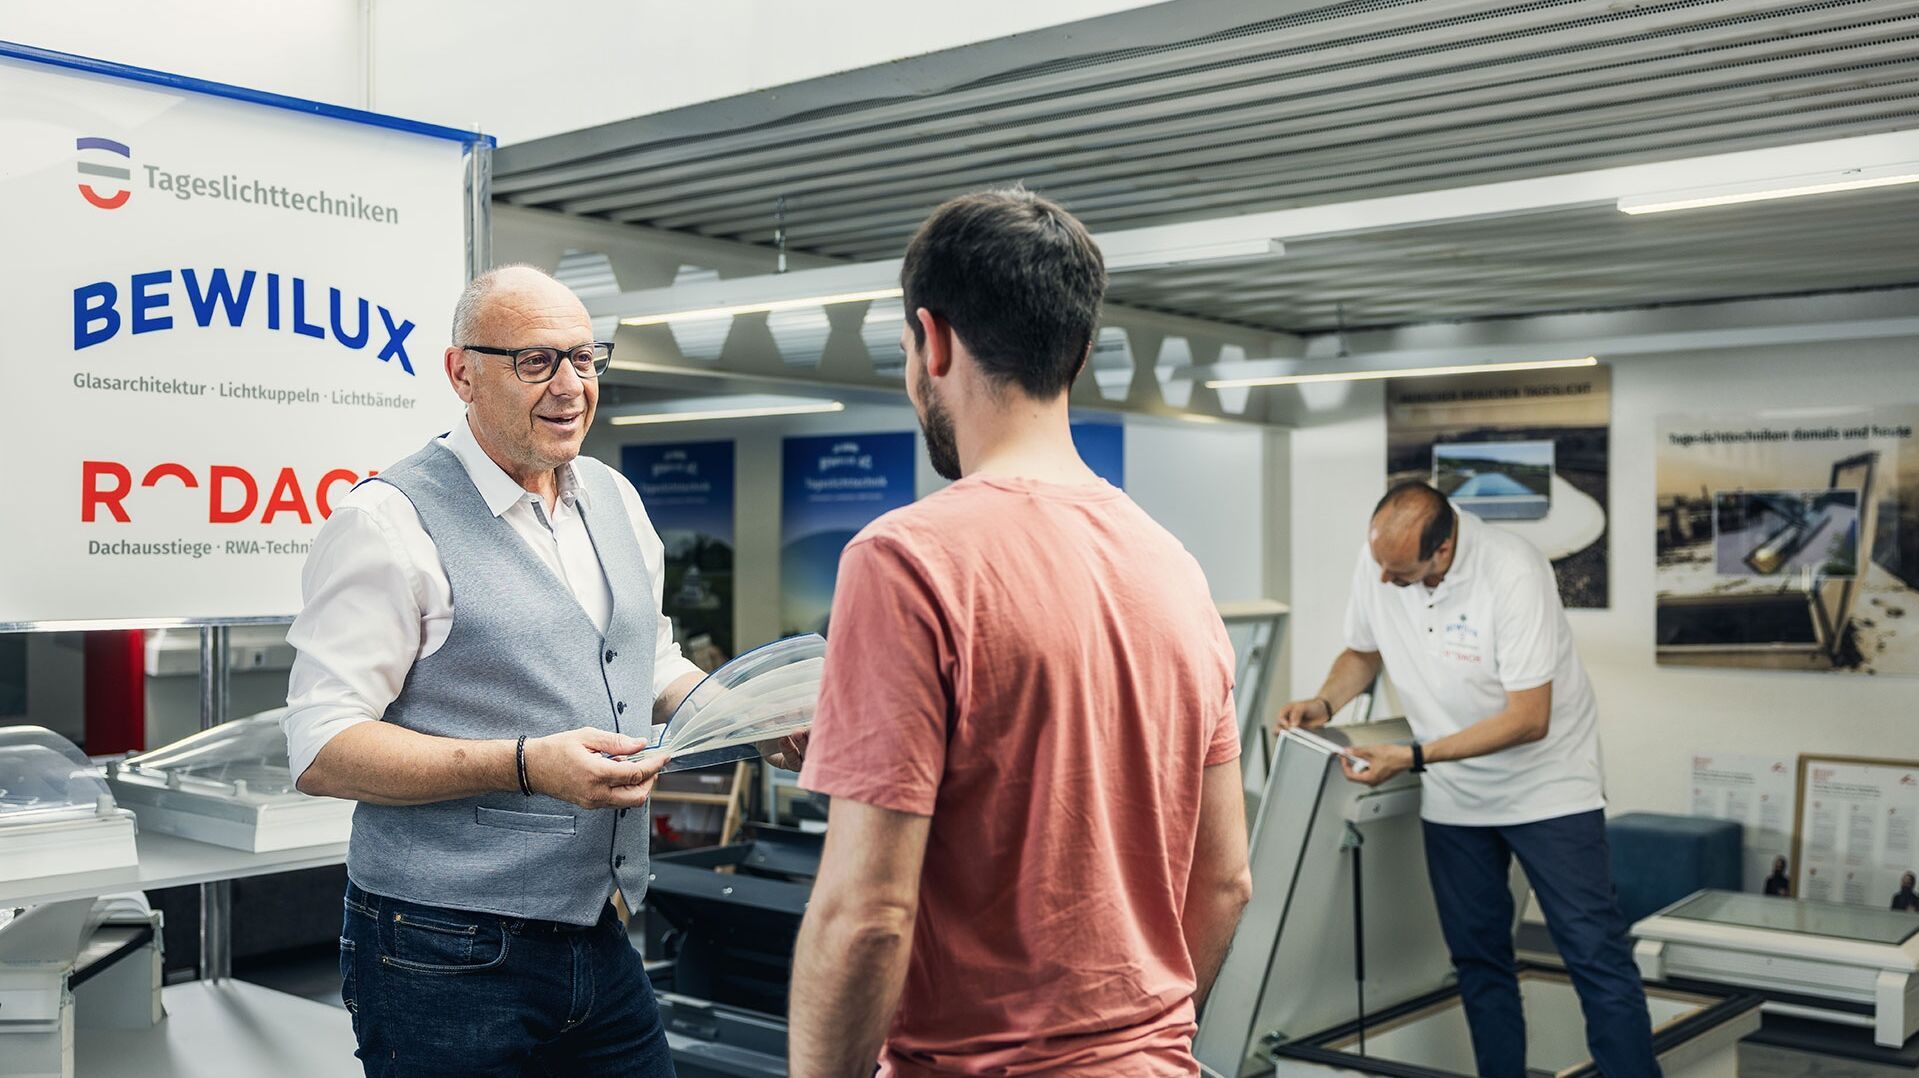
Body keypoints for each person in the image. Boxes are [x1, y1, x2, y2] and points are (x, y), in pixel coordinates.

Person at [285, 265, 799, 1077]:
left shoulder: (614, 499)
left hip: (598, 928)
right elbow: (320, 748)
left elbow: (649, 661)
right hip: (437, 943)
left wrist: (747, 721)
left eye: (584, 358)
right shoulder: (385, 522)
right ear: (462, 373)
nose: (570, 386)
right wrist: (525, 765)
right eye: (535, 361)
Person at [787, 188, 1253, 1077]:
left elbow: (866, 918)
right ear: (1078, 350)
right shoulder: (1173, 566)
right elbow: (1225, 881)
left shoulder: (904, 559)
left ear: (931, 342)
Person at [1278, 481, 1657, 1078]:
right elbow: (1363, 651)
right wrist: (1325, 703)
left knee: (1594, 955)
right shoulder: (1383, 562)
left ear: (1444, 550)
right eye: (1380, 564)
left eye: (1400, 572)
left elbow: (1529, 719)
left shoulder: (1514, 571)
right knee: (1479, 962)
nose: (1384, 580)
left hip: (1548, 791)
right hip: (1456, 799)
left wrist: (1413, 756)